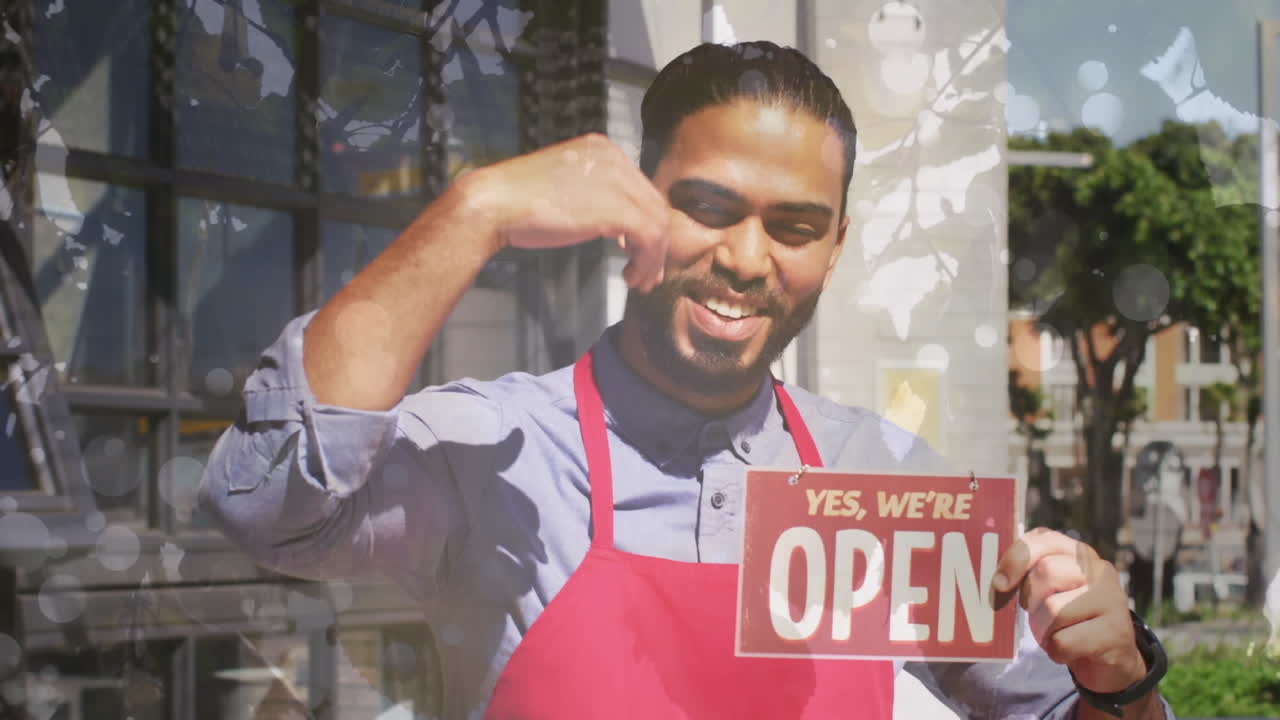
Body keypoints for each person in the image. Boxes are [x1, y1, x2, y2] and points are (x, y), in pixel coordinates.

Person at [199, 41, 1172, 719]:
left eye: (793, 226)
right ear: (639, 197)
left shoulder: (882, 479)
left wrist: (1117, 680)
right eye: (708, 207)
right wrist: (473, 209)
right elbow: (267, 508)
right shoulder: (493, 450)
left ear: (835, 246)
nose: (745, 260)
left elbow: (1057, 712)